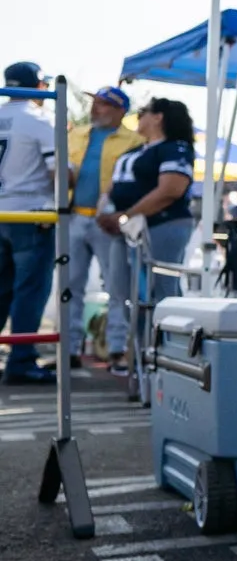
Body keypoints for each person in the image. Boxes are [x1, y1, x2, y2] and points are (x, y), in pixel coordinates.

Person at [99, 99, 197, 373]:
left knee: (162, 292)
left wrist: (126, 215)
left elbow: (171, 189)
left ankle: (168, 356)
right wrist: (106, 213)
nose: (138, 117)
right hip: (125, 230)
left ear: (158, 117)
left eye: (143, 113)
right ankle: (140, 355)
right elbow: (111, 188)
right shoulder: (133, 152)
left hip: (163, 225)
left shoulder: (175, 149)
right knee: (124, 291)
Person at [66, 85, 143, 366]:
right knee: (70, 285)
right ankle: (70, 349)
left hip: (109, 222)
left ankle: (117, 347)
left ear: (120, 110)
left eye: (103, 104)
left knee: (116, 285)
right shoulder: (75, 134)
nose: (95, 108)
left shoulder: (135, 141)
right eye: (95, 103)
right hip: (74, 216)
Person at [0, 64, 63, 384]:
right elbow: (56, 172)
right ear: (38, 85)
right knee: (30, 291)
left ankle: (19, 358)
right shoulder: (38, 119)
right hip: (30, 213)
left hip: (3, 211)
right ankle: (22, 360)